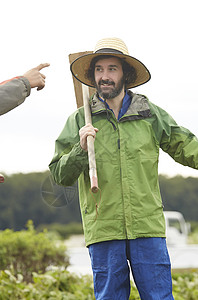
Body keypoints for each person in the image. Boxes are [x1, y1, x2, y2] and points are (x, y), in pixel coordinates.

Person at [49, 38, 198, 299]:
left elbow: (186, 146)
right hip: (103, 228)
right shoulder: (78, 120)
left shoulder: (150, 114)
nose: (104, 76)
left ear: (125, 74)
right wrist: (80, 150)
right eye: (99, 69)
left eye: (112, 69)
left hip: (147, 228)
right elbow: (60, 175)